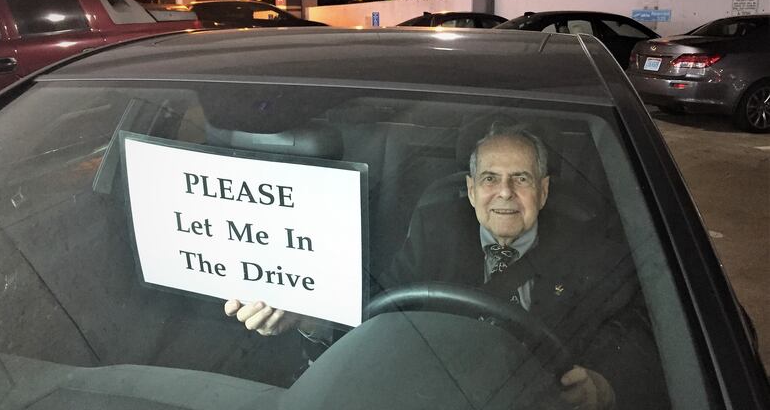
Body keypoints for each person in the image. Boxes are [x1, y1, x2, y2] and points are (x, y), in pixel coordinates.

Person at [225, 125, 650, 410]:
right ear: (469, 190)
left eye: (520, 179)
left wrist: (604, 385)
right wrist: (314, 319)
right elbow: (382, 311)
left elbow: (639, 341)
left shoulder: (591, 250)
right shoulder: (435, 229)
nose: (504, 193)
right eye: (489, 178)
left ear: (542, 191)